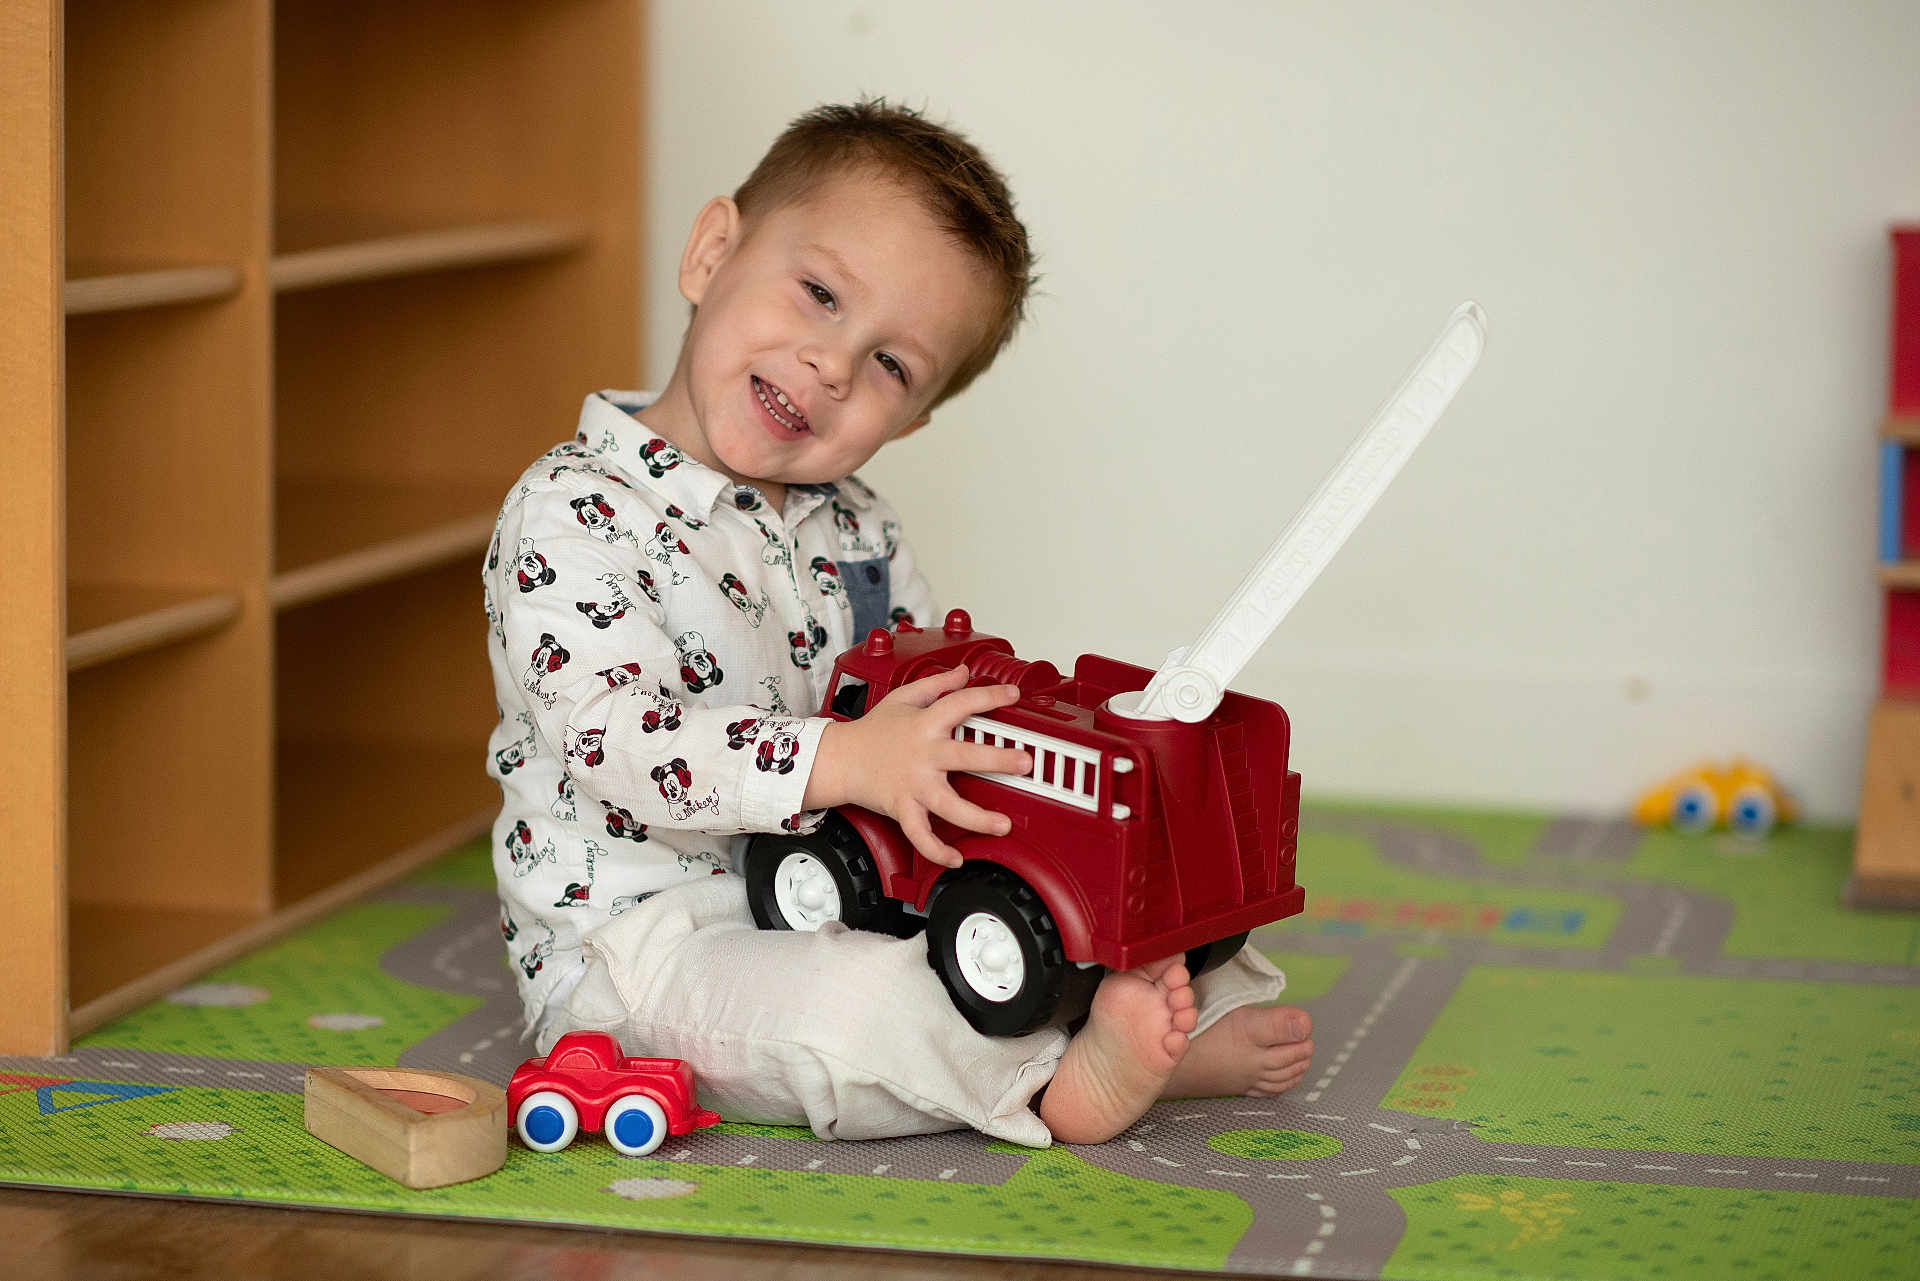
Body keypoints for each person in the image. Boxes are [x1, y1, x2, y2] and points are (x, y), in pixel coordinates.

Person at [483, 100, 1314, 1146]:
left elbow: (928, 684)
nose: (833, 363)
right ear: (711, 253)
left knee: (1141, 916)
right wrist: (845, 759)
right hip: (646, 945)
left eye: (889, 365)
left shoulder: (858, 523)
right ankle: (1061, 1077)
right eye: (821, 294)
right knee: (856, 1012)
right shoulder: (570, 509)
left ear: (912, 420)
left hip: (841, 891)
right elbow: (611, 740)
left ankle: (1157, 1001)